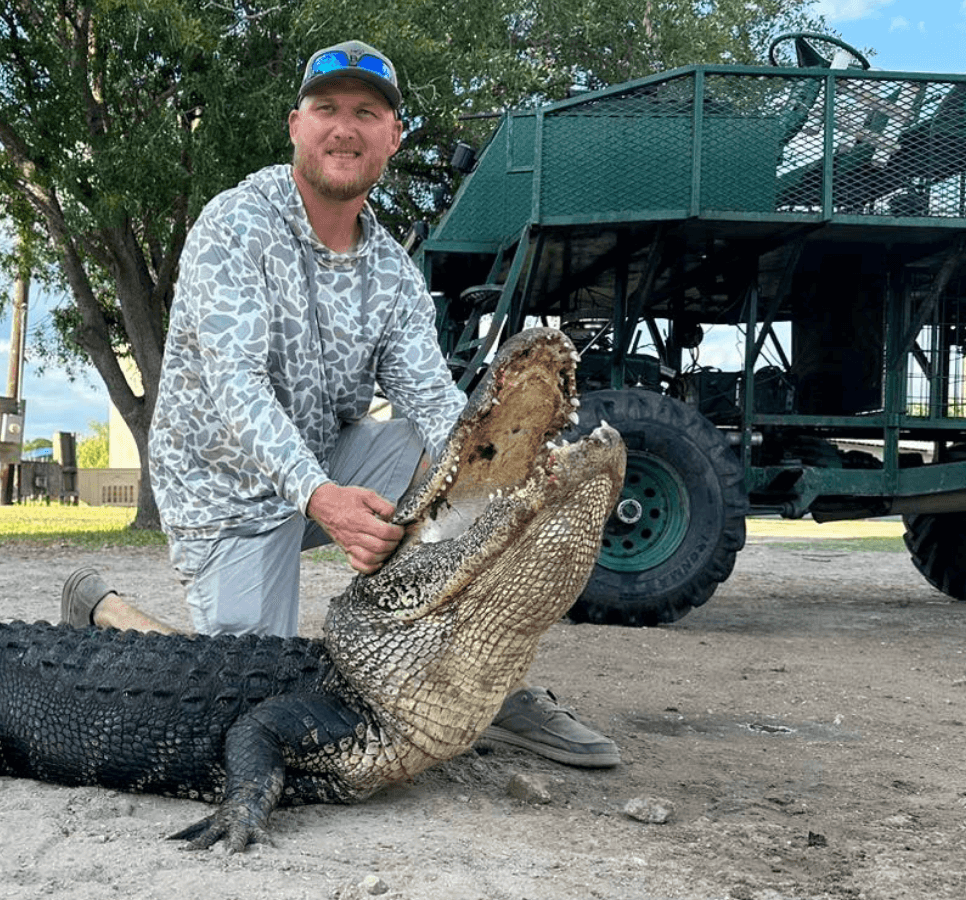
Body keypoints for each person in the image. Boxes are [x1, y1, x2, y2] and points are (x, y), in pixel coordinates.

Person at [59, 40, 619, 768]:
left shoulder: (390, 269)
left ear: (393, 137)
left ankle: (487, 687)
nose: (343, 127)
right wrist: (318, 496)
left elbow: (435, 404)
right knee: (242, 702)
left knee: (468, 464)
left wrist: (521, 477)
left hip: (328, 459)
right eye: (326, 109)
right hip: (221, 491)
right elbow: (235, 386)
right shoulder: (236, 226)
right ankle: (105, 612)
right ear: (296, 124)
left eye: (365, 112)